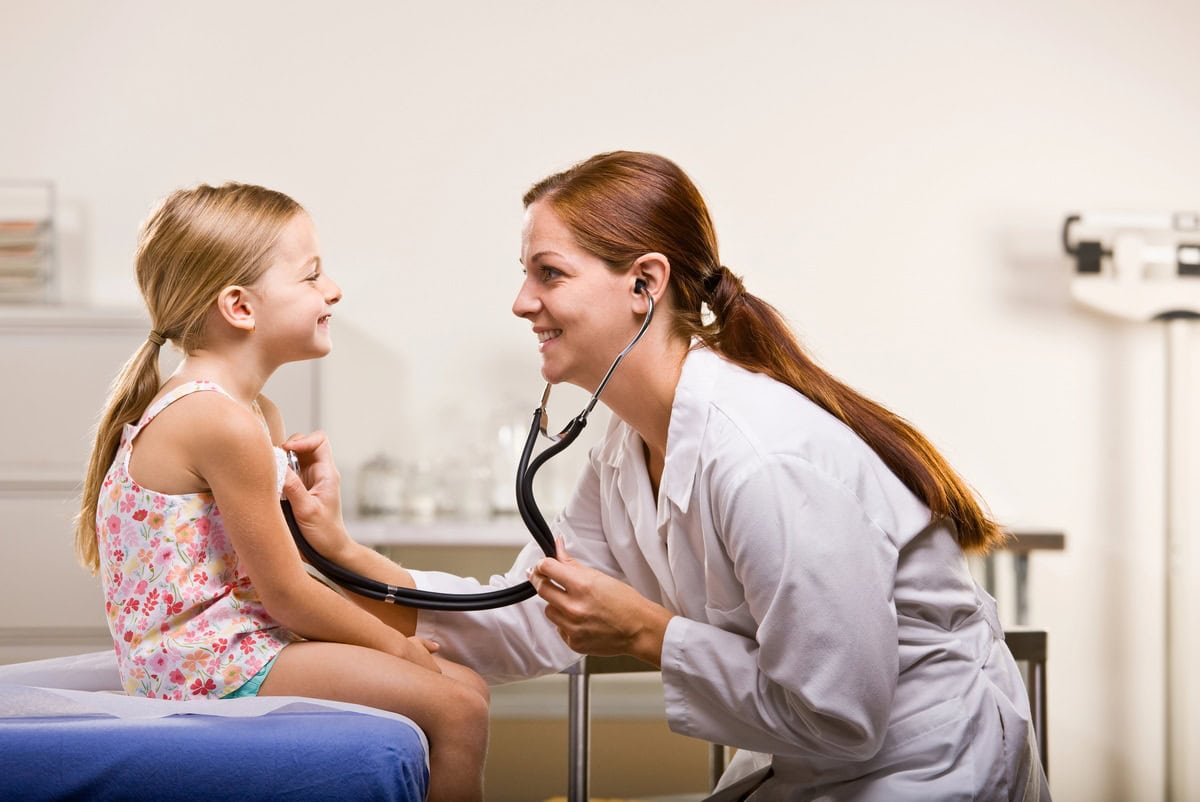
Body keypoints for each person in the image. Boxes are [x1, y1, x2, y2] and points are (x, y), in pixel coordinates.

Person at [283, 152, 1050, 801]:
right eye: (525, 275)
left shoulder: (762, 458)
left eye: (548, 274)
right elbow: (525, 617)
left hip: (926, 768)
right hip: (823, 767)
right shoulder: (628, 445)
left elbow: (842, 713)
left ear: (645, 283)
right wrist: (343, 556)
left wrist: (649, 633)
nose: (521, 303)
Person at [74, 183, 489, 802]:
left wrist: (373, 604)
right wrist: (399, 647)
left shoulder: (252, 412)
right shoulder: (220, 421)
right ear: (240, 306)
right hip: (204, 666)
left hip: (240, 644)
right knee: (460, 710)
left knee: (468, 689)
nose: (334, 290)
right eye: (312, 276)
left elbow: (282, 574)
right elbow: (288, 594)